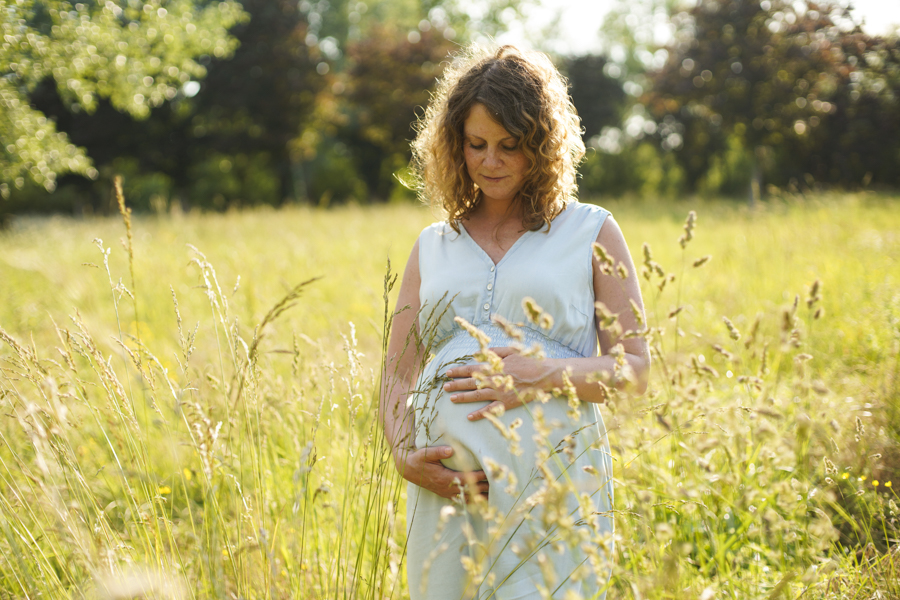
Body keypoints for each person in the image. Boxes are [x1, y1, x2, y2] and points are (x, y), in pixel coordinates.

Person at [380, 45, 650, 600]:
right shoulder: (433, 245)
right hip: (449, 495)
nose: (490, 161)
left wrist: (542, 374)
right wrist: (406, 457)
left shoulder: (591, 231)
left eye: (510, 146)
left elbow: (635, 370)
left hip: (551, 483)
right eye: (475, 145)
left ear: (543, 147)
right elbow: (397, 375)